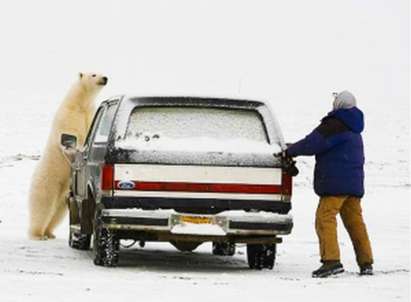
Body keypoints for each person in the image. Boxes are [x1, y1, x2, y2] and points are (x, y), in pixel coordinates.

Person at [285, 91, 374, 278]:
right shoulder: (354, 126)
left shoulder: (334, 124)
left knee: (324, 218)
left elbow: (312, 143)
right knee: (355, 222)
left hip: (336, 183)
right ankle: (366, 262)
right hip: (353, 184)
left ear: (339, 104)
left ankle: (331, 262)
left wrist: (290, 151)